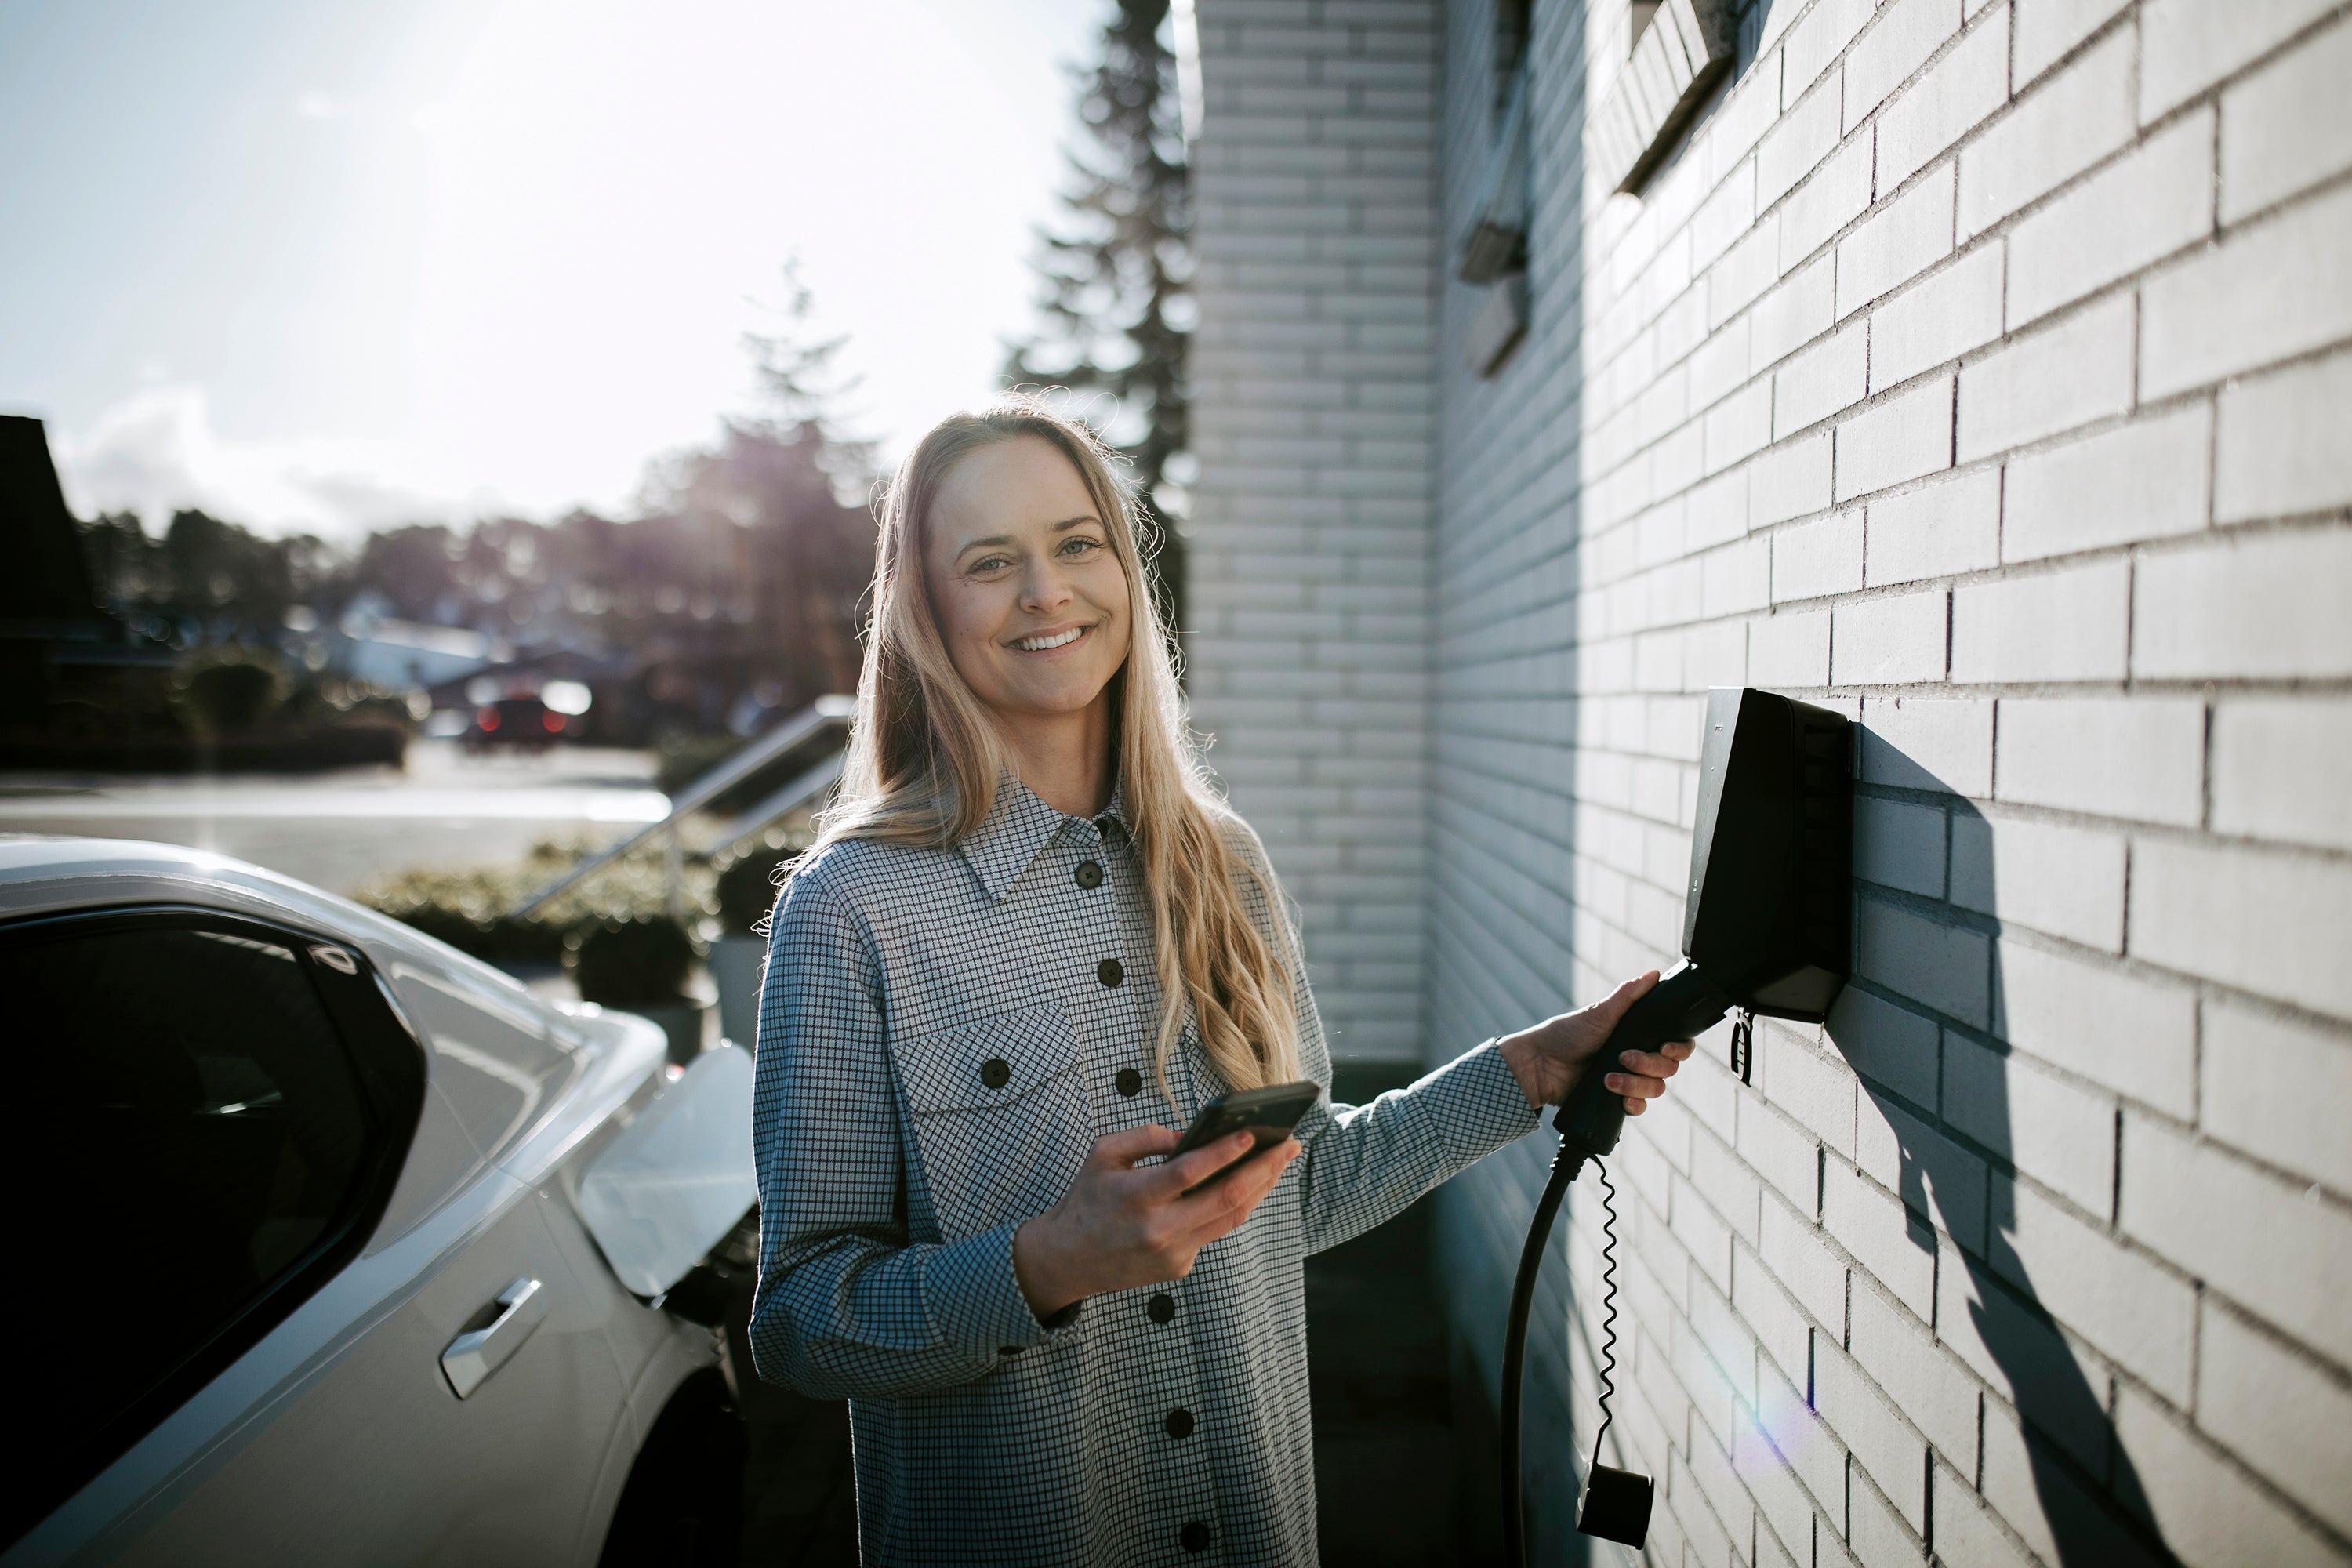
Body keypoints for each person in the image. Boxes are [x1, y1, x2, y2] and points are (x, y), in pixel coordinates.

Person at [747, 399, 1696, 1566]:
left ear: (1125, 571)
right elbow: (797, 1321)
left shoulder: (1222, 864)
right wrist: (1041, 1265)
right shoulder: (852, 909)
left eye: (1076, 542)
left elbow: (1298, 1189)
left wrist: (1530, 1074)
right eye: (990, 563)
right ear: (928, 611)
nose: (1046, 591)